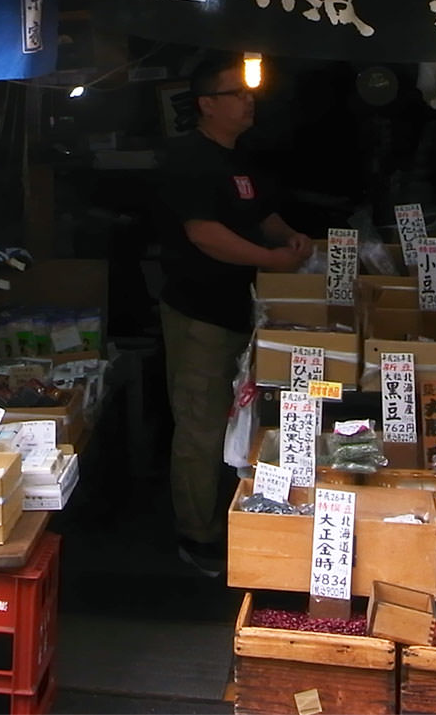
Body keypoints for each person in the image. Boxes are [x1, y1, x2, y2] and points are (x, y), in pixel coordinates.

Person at [157, 56, 314, 577]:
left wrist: (286, 235)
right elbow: (204, 233)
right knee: (200, 425)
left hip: (245, 313)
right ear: (206, 104)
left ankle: (242, 520)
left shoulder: (240, 158)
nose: (248, 101)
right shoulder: (188, 158)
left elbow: (259, 214)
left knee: (241, 423)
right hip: (200, 313)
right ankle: (195, 536)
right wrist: (271, 259)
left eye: (248, 95)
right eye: (235, 94)